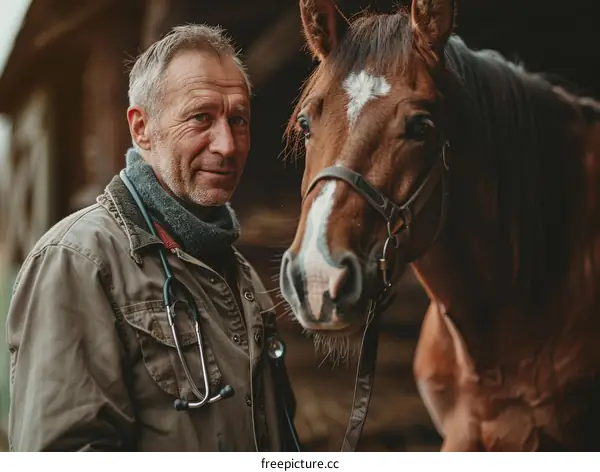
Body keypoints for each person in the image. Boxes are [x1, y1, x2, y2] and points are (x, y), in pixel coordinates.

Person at [5, 24, 298, 452]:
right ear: (141, 129)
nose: (228, 145)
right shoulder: (79, 260)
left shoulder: (240, 273)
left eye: (239, 120)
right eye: (201, 117)